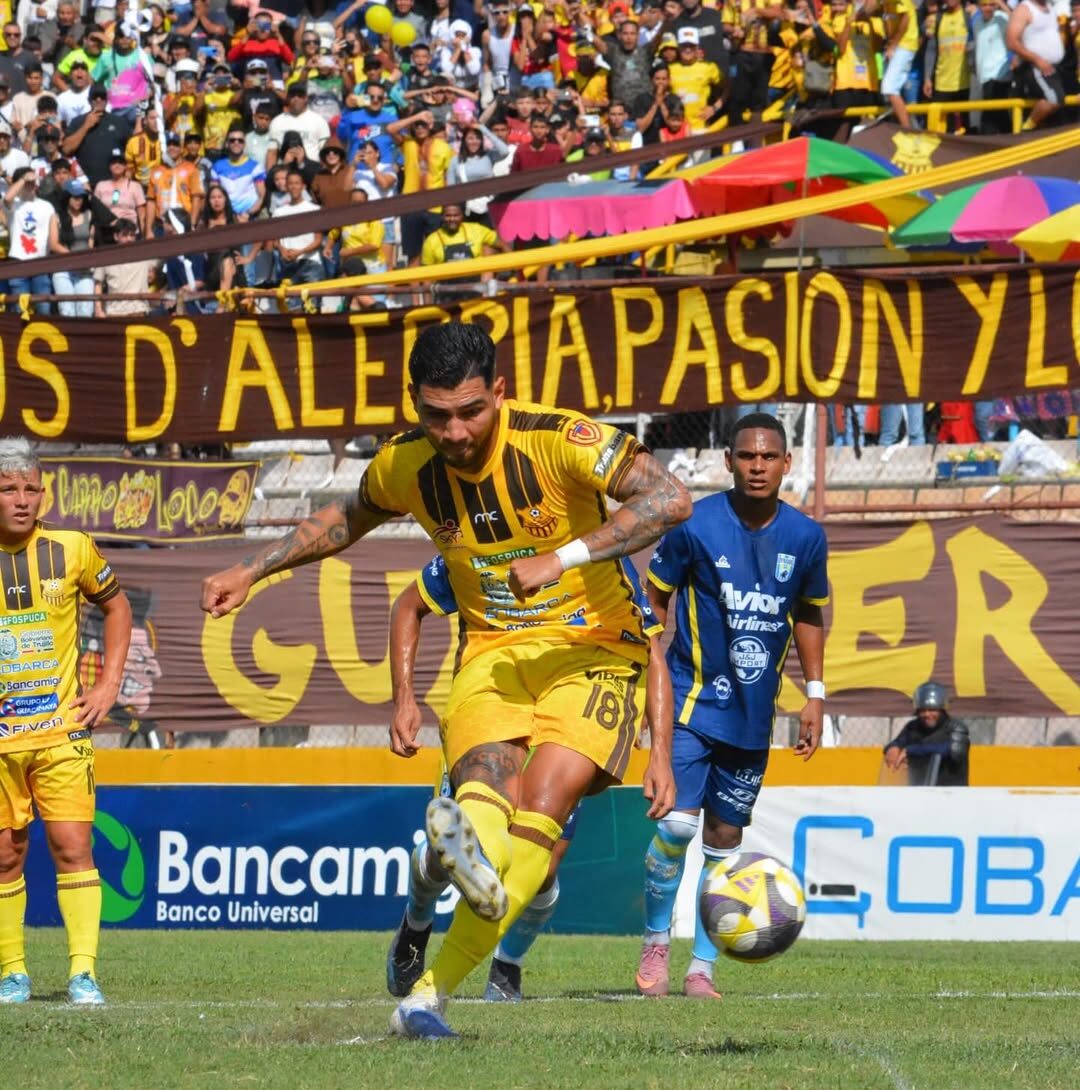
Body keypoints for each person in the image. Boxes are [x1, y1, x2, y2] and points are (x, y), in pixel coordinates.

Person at [200, 322, 690, 1038]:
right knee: (485, 790)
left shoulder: (560, 440)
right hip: (491, 652)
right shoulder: (406, 464)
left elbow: (671, 499)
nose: (455, 432)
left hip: (592, 651)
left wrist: (565, 557)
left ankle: (429, 994)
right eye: (436, 415)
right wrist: (252, 569)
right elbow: (344, 518)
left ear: (499, 390)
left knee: (544, 805)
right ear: (414, 404)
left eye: (470, 411)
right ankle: (472, 872)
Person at [386, 550, 671, 1004]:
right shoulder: (479, 546)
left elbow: (651, 647)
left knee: (541, 867)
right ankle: (415, 924)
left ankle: (506, 965)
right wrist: (403, 698)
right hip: (492, 709)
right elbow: (409, 605)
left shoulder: (595, 560)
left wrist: (660, 753)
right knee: (449, 855)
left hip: (567, 710)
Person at [636, 411, 828, 1000]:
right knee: (673, 827)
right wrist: (652, 686)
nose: (758, 466)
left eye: (769, 457)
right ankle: (654, 944)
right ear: (729, 461)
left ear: (786, 463)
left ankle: (701, 968)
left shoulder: (806, 537)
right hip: (691, 703)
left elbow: (811, 614)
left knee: (724, 840)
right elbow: (654, 601)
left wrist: (814, 695)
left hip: (753, 717)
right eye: (747, 456)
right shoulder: (695, 525)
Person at [0, 436, 132, 1007]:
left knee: (73, 846)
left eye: (30, 488)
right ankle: (12, 972)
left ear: (44, 493)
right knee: (5, 854)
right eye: (8, 489)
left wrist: (109, 683)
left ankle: (83, 973)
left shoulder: (73, 548)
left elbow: (118, 605)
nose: (21, 499)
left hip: (61, 733)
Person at [884, 682, 970, 786]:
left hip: (951, 793)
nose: (927, 714)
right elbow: (899, 742)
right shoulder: (913, 727)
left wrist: (913, 750)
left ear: (942, 710)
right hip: (919, 792)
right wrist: (893, 747)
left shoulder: (956, 727)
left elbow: (956, 751)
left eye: (932, 709)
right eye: (922, 710)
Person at [1006, 0, 1066, 130]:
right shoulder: (1024, 9)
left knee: (1059, 112)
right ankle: (1026, 129)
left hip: (1056, 67)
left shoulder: (1050, 8)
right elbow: (1011, 41)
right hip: (1038, 67)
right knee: (1054, 98)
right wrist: (1037, 60)